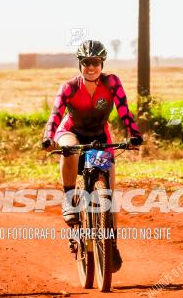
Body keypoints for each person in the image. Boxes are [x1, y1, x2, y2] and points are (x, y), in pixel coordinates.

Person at [41, 39, 143, 272]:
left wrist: (134, 134)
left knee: (110, 191)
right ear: (80, 64)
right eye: (86, 62)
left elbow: (124, 110)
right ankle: (69, 199)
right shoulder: (69, 87)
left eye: (95, 62)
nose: (91, 67)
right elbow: (55, 114)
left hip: (100, 136)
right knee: (68, 149)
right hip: (71, 131)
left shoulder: (112, 82)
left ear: (101, 63)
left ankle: (111, 243)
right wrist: (48, 138)